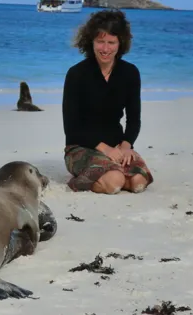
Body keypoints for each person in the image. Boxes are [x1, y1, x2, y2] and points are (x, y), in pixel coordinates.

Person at [61, 9, 153, 195]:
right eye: (100, 41)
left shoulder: (130, 73)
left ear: (120, 44)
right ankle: (81, 181)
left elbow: (134, 119)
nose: (105, 49)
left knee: (138, 182)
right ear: (91, 41)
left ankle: (107, 175)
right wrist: (105, 149)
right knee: (115, 182)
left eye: (111, 42)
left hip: (117, 146)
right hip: (81, 146)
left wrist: (126, 147)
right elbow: (71, 127)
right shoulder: (76, 74)